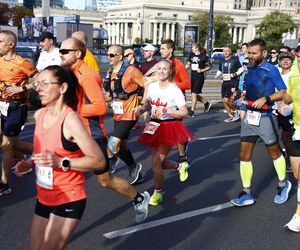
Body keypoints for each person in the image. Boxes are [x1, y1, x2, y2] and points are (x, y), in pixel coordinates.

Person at [15, 65, 107, 249]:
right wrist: (29, 162)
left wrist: (61, 162)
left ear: (63, 88)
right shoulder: (40, 114)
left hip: (68, 198)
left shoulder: (71, 120)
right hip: (44, 196)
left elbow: (98, 160)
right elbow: (42, 149)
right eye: (38, 83)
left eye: (45, 84)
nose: (39, 88)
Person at [59, 38, 149, 223]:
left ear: (77, 53)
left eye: (65, 51)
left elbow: (99, 108)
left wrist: (143, 104)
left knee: (106, 179)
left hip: (98, 128)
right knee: (64, 169)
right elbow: (103, 97)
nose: (61, 54)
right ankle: (63, 208)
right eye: (60, 50)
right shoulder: (79, 73)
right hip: (81, 128)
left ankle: (138, 198)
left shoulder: (88, 75)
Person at [231, 38, 291, 207]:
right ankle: (247, 193)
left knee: (274, 152)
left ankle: (283, 184)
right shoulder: (249, 68)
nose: (249, 56)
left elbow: (282, 92)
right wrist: (241, 96)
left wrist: (266, 98)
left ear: (263, 53)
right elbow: (250, 89)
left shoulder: (270, 69)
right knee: (244, 155)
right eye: (248, 53)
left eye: (253, 53)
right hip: (249, 116)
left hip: (265, 117)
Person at [135, 59, 193, 205]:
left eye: (164, 69)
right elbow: (148, 104)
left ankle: (158, 192)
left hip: (169, 126)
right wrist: (141, 109)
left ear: (170, 72)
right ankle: (180, 166)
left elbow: (185, 113)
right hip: (153, 126)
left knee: (156, 163)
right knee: (157, 162)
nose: (161, 71)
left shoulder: (174, 90)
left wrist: (167, 110)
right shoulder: (152, 87)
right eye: (159, 68)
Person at [0, 30, 37, 196]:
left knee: (7, 145)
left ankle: (4, 184)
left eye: (0, 41)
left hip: (17, 107)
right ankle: (40, 154)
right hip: (2, 106)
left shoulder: (22, 62)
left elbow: (40, 80)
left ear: (10, 44)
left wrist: (21, 88)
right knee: (10, 143)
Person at [103, 45, 145, 182]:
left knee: (113, 144)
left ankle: (132, 166)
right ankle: (136, 173)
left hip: (130, 112)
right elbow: (109, 94)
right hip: (118, 112)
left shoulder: (131, 70)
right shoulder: (110, 72)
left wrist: (144, 104)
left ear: (120, 57)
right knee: (122, 145)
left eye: (111, 55)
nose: (108, 57)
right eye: (107, 54)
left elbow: (147, 84)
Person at [160, 39, 191, 168]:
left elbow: (187, 84)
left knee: (175, 127)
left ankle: (182, 156)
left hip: (177, 102)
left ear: (170, 50)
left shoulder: (178, 64)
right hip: (164, 102)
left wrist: (173, 85)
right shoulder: (161, 64)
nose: (160, 51)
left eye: (163, 49)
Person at [280, 54, 300, 232]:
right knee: (296, 174)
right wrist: (285, 107)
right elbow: (286, 99)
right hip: (297, 130)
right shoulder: (293, 78)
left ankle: (299, 215)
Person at [277, 52, 294, 172]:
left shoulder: (295, 76)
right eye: (283, 59)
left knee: (287, 136)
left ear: (292, 62)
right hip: (275, 109)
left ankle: (290, 158)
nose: (285, 61)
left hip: (290, 110)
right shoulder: (276, 75)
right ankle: (286, 157)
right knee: (273, 137)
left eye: (288, 59)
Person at [215, 46, 242, 122]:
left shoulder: (235, 59)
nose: (225, 52)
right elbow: (220, 69)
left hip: (232, 82)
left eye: (227, 51)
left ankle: (236, 110)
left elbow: (241, 68)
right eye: (224, 51)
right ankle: (230, 115)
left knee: (227, 99)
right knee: (224, 100)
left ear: (230, 52)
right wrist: (217, 75)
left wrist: (235, 74)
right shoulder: (222, 60)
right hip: (224, 82)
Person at [185, 42, 211, 117]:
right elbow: (189, 62)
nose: (191, 49)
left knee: (194, 94)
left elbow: (209, 66)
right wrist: (186, 66)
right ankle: (206, 103)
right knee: (194, 93)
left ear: (197, 48)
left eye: (193, 47)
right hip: (193, 76)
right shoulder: (192, 55)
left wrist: (202, 70)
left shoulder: (204, 57)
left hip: (199, 77)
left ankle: (192, 111)